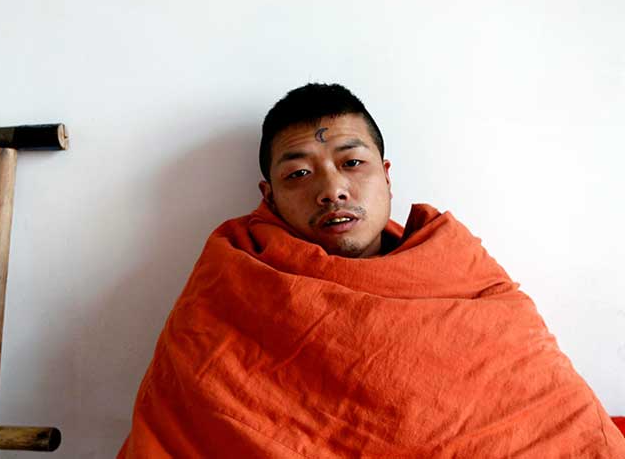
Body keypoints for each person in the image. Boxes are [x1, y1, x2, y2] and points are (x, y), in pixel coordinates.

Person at [117, 83, 625, 458]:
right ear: (268, 198)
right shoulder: (229, 286)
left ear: (386, 176)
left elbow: (558, 424)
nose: (331, 189)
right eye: (299, 173)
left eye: (352, 163)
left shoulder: (460, 270)